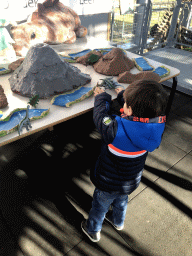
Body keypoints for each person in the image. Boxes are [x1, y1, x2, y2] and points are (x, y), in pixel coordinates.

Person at [81, 79, 168, 242]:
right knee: (121, 201)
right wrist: (124, 95)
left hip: (108, 182)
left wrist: (102, 98)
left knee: (100, 206)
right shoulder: (157, 125)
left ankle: (92, 229)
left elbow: (101, 118)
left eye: (126, 103)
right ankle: (118, 221)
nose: (124, 104)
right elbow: (140, 110)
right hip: (130, 181)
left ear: (130, 110)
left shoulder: (115, 129)